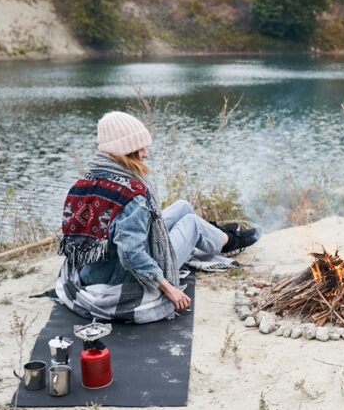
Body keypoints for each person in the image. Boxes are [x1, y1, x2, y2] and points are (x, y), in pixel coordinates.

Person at [56, 111, 260, 324]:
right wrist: (168, 288)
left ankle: (213, 233)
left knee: (183, 206)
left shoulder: (86, 181)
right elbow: (131, 254)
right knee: (191, 223)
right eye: (140, 148)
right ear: (126, 150)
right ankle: (229, 240)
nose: (145, 154)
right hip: (122, 278)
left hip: (93, 270)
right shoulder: (131, 195)